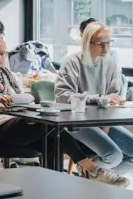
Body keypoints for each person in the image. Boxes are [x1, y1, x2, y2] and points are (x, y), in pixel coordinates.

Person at [0, 34, 128, 187]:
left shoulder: (10, 76)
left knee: (54, 138)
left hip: (14, 123)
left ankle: (54, 187)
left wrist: (20, 100)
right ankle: (91, 169)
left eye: (2, 53)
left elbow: (27, 97)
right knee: (46, 125)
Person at [56, 22, 133, 176]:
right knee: (114, 156)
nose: (106, 48)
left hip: (102, 121)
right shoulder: (72, 62)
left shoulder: (110, 62)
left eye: (108, 43)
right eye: (100, 44)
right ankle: (92, 174)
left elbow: (113, 97)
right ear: (87, 43)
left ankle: (94, 177)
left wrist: (107, 123)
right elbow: (62, 96)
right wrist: (98, 99)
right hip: (76, 122)